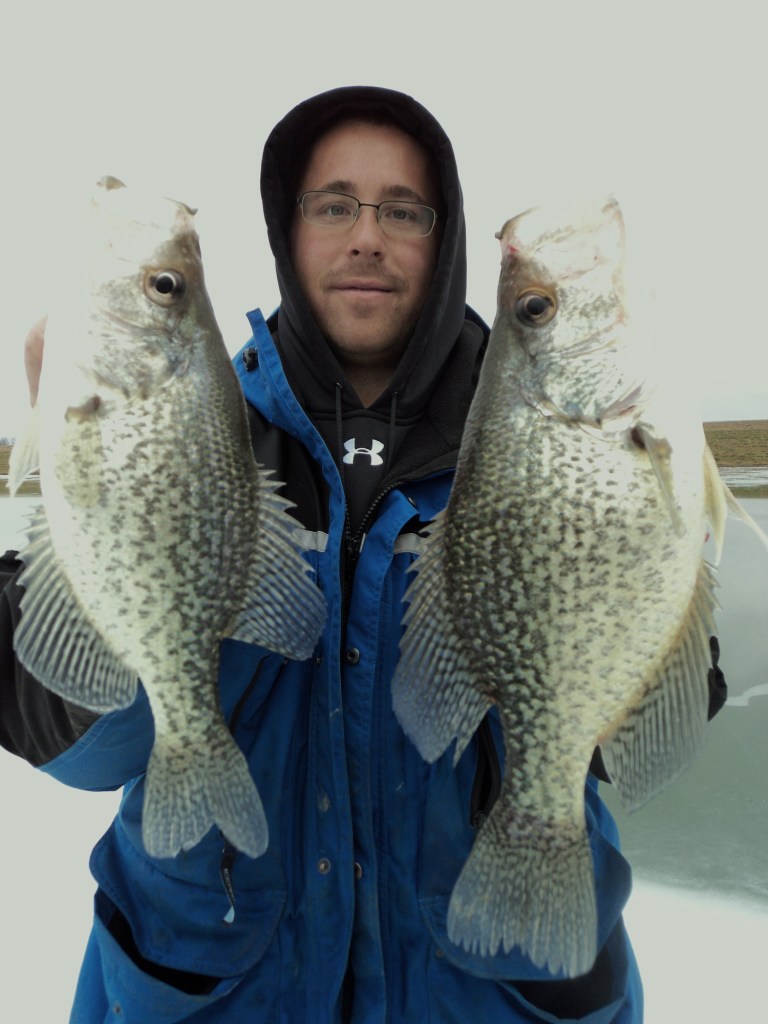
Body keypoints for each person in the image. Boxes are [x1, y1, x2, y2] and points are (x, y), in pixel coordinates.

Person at [0, 86, 726, 1023]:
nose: (366, 237)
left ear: (447, 235)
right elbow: (87, 754)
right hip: (207, 986)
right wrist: (77, 512)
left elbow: (652, 724)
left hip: (501, 985)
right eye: (333, 204)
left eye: (402, 210)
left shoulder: (516, 447)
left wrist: (653, 585)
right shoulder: (204, 440)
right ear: (287, 229)